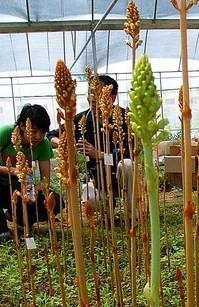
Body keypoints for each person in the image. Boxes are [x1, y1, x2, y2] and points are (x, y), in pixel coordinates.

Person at [48, 74, 132, 212]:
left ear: (112, 97)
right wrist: (65, 143)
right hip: (97, 179)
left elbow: (128, 154)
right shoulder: (82, 119)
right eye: (90, 93)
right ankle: (106, 209)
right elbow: (51, 135)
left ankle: (132, 214)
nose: (93, 98)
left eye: (98, 93)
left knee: (127, 164)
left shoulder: (123, 118)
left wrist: (98, 154)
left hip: (120, 176)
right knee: (90, 201)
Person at [0, 104, 60, 238]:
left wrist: (33, 191)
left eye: (42, 132)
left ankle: (20, 221)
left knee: (55, 200)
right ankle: (2, 231)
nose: (38, 136)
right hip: (2, 182)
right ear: (22, 126)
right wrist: (13, 171)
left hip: (21, 187)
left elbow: (45, 181)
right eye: (33, 132)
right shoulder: (6, 133)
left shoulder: (43, 144)